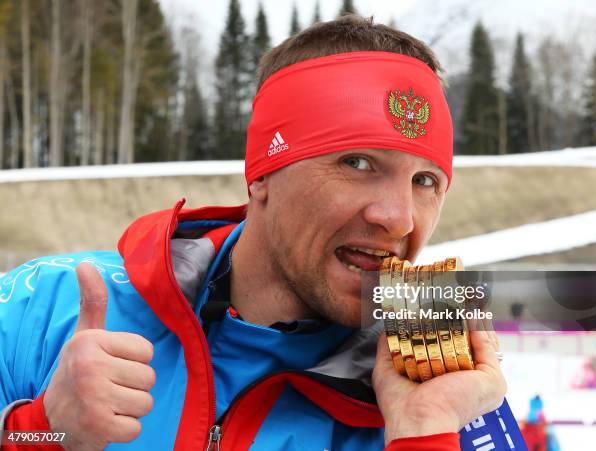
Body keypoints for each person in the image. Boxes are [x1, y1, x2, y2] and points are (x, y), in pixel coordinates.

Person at [0, 15, 524, 451]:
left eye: (425, 181)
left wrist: (422, 432)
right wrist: (40, 430)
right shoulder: (45, 306)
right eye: (359, 162)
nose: (400, 218)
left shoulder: (454, 397)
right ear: (263, 175)